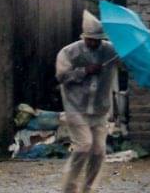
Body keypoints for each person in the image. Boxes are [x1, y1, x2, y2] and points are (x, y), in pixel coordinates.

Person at [55, 10, 118, 193]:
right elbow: (61, 76)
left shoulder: (110, 51)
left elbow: (124, 65)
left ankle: (89, 189)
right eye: (90, 39)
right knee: (83, 146)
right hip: (76, 107)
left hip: (99, 109)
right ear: (83, 37)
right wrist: (84, 71)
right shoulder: (69, 52)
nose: (93, 43)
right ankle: (69, 188)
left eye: (96, 40)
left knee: (99, 152)